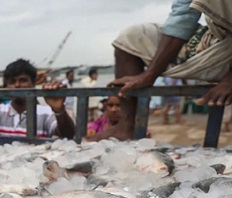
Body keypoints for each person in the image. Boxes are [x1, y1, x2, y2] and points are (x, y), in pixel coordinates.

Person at [97, 0, 232, 141]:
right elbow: (182, 16)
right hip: (220, 40)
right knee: (132, 37)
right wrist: (150, 74)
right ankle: (126, 127)